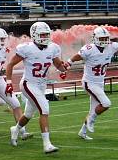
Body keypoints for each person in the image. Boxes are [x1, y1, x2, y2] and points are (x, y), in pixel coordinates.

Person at [5, 22, 70, 152]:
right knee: (45, 109)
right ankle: (47, 144)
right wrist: (8, 82)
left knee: (28, 114)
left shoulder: (52, 48)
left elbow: (58, 65)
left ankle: (16, 129)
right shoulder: (26, 48)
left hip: (41, 85)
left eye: (47, 34)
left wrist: (64, 69)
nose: (45, 37)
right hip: (28, 83)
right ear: (34, 35)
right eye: (42, 34)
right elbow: (10, 64)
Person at [67, 27, 118, 140]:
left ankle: (82, 132)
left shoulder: (111, 46)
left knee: (93, 109)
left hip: (99, 83)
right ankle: (90, 120)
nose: (104, 40)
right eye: (102, 38)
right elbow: (78, 56)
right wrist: (69, 62)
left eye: (106, 38)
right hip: (89, 82)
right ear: (96, 38)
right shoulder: (89, 48)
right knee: (106, 103)